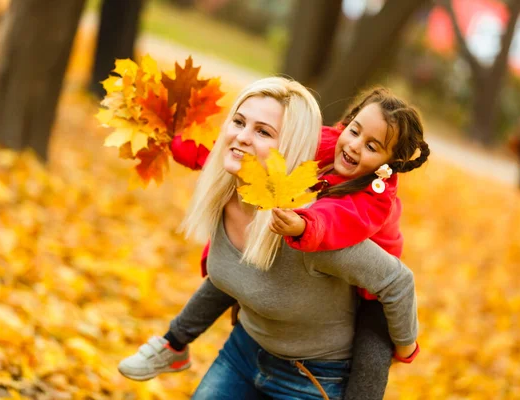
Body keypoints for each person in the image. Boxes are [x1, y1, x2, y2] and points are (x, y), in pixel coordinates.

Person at [119, 78, 419, 399]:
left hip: (351, 309)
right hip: (246, 350)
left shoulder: (373, 198)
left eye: (373, 146)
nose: (356, 145)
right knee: (241, 269)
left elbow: (339, 222)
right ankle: (172, 343)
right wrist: (173, 140)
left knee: (372, 346)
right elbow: (216, 154)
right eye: (355, 131)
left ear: (390, 164)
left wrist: (405, 344)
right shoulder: (312, 150)